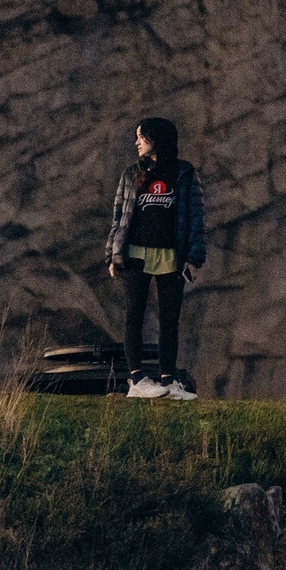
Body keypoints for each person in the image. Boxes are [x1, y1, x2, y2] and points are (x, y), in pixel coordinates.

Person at [104, 117, 207, 400]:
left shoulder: (184, 173)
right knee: (133, 316)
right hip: (134, 255)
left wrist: (193, 258)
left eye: (142, 137)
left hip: (172, 257)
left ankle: (169, 381)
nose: (137, 142)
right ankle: (136, 380)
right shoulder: (130, 174)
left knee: (169, 320)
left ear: (157, 139)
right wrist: (112, 255)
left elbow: (196, 219)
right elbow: (119, 217)